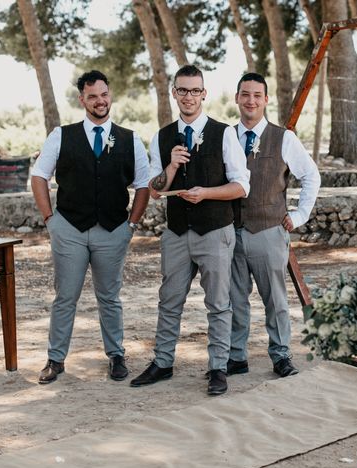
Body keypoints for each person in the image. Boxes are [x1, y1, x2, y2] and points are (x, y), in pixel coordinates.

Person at [130, 65, 250, 396]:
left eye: (195, 91)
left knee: (218, 302)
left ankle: (218, 368)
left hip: (215, 229)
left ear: (204, 94)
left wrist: (206, 193)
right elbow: (155, 190)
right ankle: (163, 363)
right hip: (177, 231)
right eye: (182, 90)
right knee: (169, 300)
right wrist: (170, 165)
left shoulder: (224, 133)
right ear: (174, 93)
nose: (189, 97)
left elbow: (242, 186)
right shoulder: (161, 136)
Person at [31, 70, 151, 384]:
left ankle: (116, 355)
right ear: (82, 99)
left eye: (104, 95)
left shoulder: (129, 138)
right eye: (93, 96)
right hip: (68, 228)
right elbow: (39, 176)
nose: (100, 101)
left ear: (110, 96)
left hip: (113, 230)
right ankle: (55, 359)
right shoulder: (62, 135)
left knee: (109, 297)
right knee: (65, 296)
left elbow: (143, 185)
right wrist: (50, 220)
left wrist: (131, 225)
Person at [228, 73, 320, 378]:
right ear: (237, 98)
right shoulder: (226, 136)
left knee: (275, 299)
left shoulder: (284, 138)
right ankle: (236, 356)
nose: (251, 100)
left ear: (266, 99)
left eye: (257, 95)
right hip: (230, 232)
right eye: (245, 94)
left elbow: (311, 176)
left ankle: (281, 355)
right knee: (234, 299)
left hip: (268, 230)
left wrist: (299, 214)